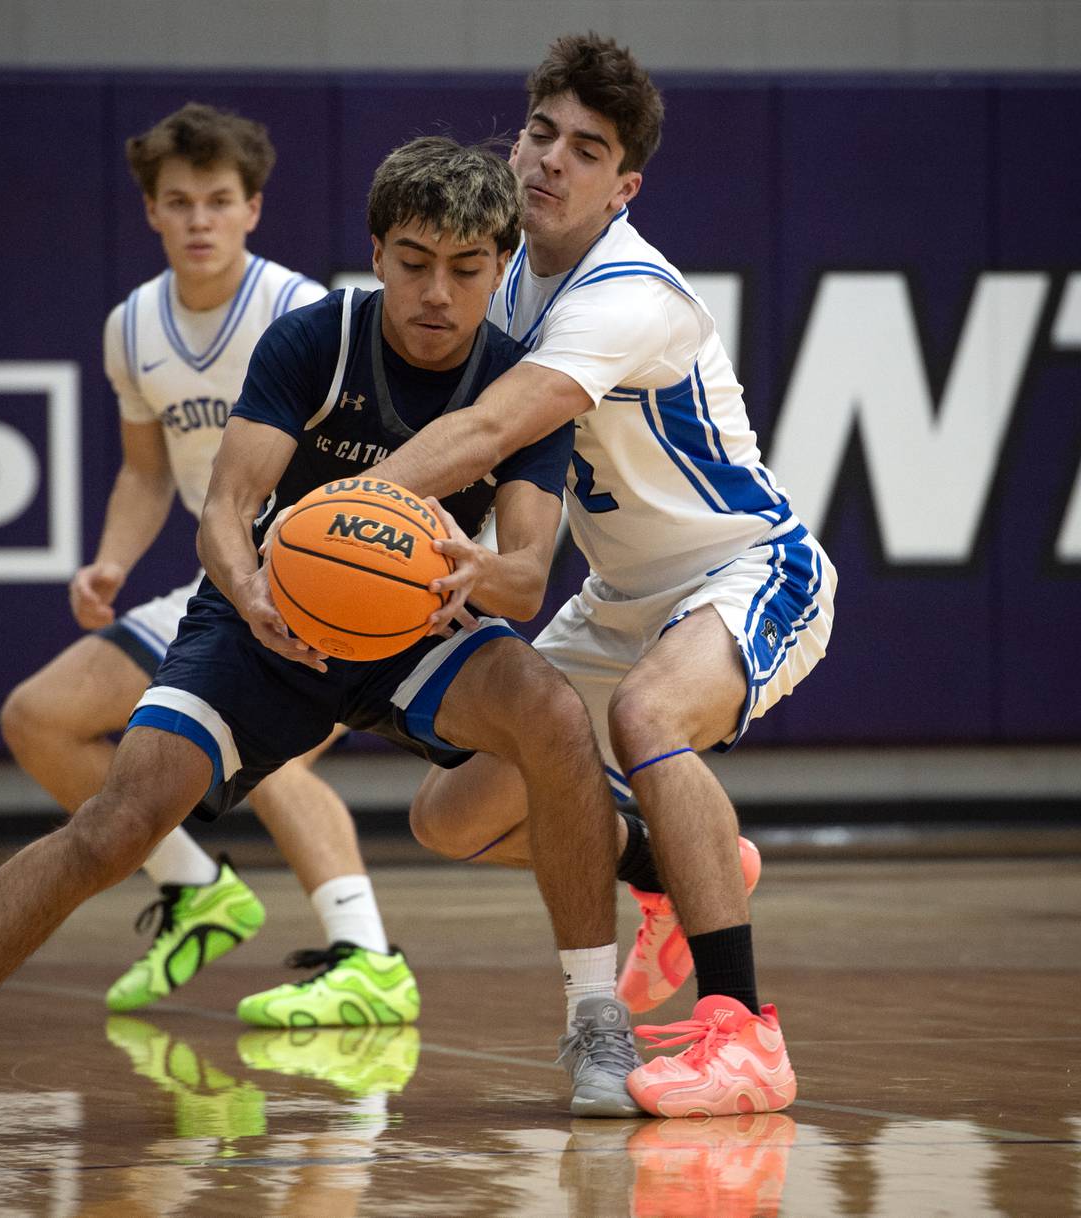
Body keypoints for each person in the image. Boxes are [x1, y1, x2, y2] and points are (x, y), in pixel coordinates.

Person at [0, 135, 645, 1138]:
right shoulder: (314, 341)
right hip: (265, 618)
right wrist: (251, 592)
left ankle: (597, 1019)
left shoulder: (520, 385)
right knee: (116, 823)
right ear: (377, 254)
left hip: (419, 619)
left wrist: (482, 575)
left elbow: (525, 572)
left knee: (551, 713)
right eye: (415, 263)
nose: (437, 292)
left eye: (467, 270)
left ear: (501, 268)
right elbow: (225, 506)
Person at [377, 34, 837, 1118]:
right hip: (621, 600)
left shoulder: (626, 293)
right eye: (541, 133)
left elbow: (495, 425)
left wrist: (325, 520)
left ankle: (746, 1034)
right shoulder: (499, 279)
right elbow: (497, 468)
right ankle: (670, 869)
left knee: (646, 715)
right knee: (449, 817)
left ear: (623, 185)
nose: (548, 162)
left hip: (748, 567)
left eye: (586, 150)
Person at [0, 102, 412, 1024]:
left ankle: (369, 957)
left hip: (327, 580)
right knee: (39, 718)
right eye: (178, 202)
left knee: (273, 761)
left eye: (218, 201)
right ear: (150, 210)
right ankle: (197, 887)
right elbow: (146, 475)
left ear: (252, 208)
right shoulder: (133, 326)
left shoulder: (300, 310)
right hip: (223, 581)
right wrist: (108, 563)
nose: (198, 220)